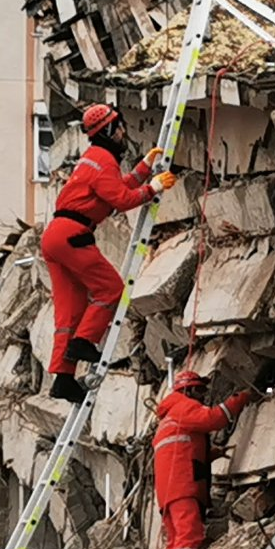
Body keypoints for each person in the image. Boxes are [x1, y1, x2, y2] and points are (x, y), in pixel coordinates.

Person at [43, 103, 177, 403]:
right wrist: (153, 187)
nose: (123, 132)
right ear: (108, 130)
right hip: (73, 234)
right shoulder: (103, 159)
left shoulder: (93, 158)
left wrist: (143, 169)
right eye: (118, 126)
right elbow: (122, 199)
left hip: (56, 235)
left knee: (70, 312)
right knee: (111, 289)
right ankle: (84, 342)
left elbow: (113, 190)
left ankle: (63, 377)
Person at [152, 372, 253, 549]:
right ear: (189, 390)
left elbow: (181, 449)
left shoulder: (169, 417)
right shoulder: (183, 406)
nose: (202, 397)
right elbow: (212, 419)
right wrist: (241, 399)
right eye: (200, 391)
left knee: (175, 541)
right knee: (190, 534)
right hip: (183, 484)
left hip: (169, 490)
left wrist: (212, 454)